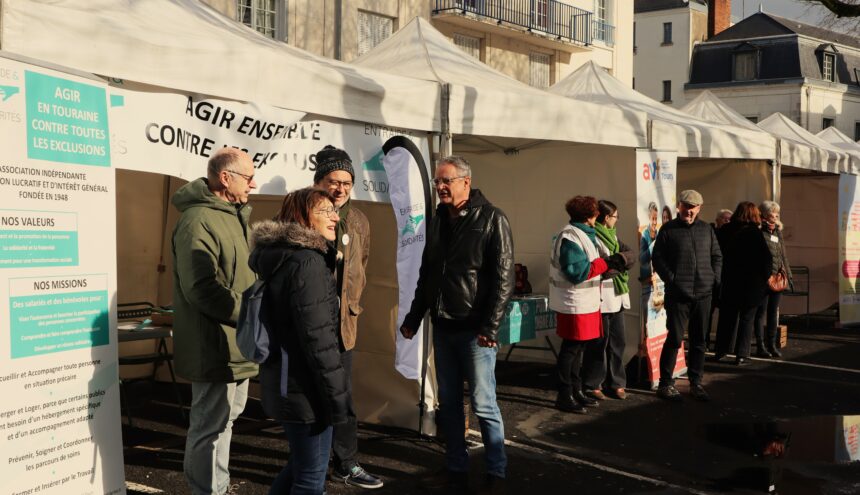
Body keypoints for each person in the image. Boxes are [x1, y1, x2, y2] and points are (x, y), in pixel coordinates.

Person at [399, 155, 513, 494]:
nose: (440, 187)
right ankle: (456, 470)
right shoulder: (437, 220)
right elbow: (428, 276)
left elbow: (504, 279)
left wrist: (490, 327)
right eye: (437, 181)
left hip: (475, 331)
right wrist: (413, 317)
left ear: (466, 182)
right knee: (448, 404)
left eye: (446, 181)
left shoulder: (492, 218)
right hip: (444, 327)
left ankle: (496, 472)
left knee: (483, 404)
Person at [249, 187, 349, 495]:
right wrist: (337, 398)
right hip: (305, 390)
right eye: (325, 211)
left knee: (300, 468)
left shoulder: (284, 256)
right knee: (310, 480)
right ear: (303, 218)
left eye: (334, 210)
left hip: (287, 383)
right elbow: (319, 341)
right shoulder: (308, 263)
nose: (335, 217)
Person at [172, 148, 259, 495]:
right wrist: (251, 313)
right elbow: (202, 289)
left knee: (226, 423)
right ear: (225, 178)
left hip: (237, 344)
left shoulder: (234, 216)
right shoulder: (198, 221)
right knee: (209, 427)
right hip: (213, 345)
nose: (254, 184)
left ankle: (217, 488)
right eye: (248, 177)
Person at [311, 145, 381, 489]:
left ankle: (346, 462)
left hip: (344, 325)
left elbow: (361, 266)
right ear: (318, 182)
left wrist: (350, 303)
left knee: (343, 396)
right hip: (311, 323)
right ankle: (311, 469)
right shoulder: (301, 214)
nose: (340, 189)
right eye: (333, 181)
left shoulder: (359, 220)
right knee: (312, 396)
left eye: (346, 183)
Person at [550, 196, 627, 414]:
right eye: (595, 212)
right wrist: (606, 263)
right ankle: (564, 395)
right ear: (590, 216)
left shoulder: (581, 233)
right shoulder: (571, 237)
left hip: (584, 302)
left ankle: (576, 390)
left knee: (578, 350)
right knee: (571, 350)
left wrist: (605, 263)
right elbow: (578, 272)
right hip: (574, 303)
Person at [651, 190, 722, 402]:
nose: (688, 211)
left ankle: (696, 383)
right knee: (674, 338)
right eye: (685, 207)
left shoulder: (706, 230)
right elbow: (657, 258)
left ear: (699, 208)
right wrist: (672, 279)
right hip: (678, 295)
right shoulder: (668, 229)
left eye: (692, 208)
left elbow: (717, 256)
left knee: (700, 340)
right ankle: (665, 383)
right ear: (679, 206)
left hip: (703, 294)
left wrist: (713, 278)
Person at [582, 200, 635, 401]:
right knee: (598, 344)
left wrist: (617, 262)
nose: (617, 220)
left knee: (618, 342)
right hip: (601, 298)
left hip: (618, 297)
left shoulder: (614, 237)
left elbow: (630, 255)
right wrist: (618, 264)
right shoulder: (592, 237)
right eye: (615, 216)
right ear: (606, 217)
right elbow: (601, 268)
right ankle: (593, 383)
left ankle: (617, 383)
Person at [713, 202, 771, 365]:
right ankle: (742, 355)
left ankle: (721, 351)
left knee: (727, 318)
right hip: (751, 284)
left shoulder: (725, 230)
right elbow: (766, 259)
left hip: (729, 281)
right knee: (747, 319)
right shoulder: (755, 233)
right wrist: (765, 277)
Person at [756, 201, 793, 358]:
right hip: (763, 279)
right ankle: (760, 345)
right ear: (764, 214)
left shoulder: (778, 231)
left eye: (777, 213)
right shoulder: (758, 231)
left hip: (777, 279)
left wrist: (788, 276)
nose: (776, 216)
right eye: (773, 212)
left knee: (773, 313)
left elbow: (783, 255)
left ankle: (771, 344)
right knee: (760, 313)